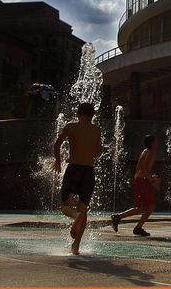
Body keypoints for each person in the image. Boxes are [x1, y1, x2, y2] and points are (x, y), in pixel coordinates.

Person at [53, 102, 103, 255]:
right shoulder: (96, 130)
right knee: (84, 209)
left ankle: (75, 216)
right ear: (92, 115)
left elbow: (57, 144)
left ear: (77, 114)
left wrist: (58, 161)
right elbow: (98, 152)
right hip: (89, 171)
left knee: (65, 205)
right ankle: (76, 246)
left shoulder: (71, 126)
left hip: (74, 168)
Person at [110, 134, 160, 237]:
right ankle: (138, 227)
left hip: (139, 180)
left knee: (142, 208)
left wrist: (148, 178)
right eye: (156, 141)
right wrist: (152, 180)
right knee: (150, 206)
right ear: (152, 143)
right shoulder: (150, 153)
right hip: (142, 181)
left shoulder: (144, 152)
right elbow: (145, 170)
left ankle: (118, 217)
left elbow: (139, 167)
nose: (157, 143)